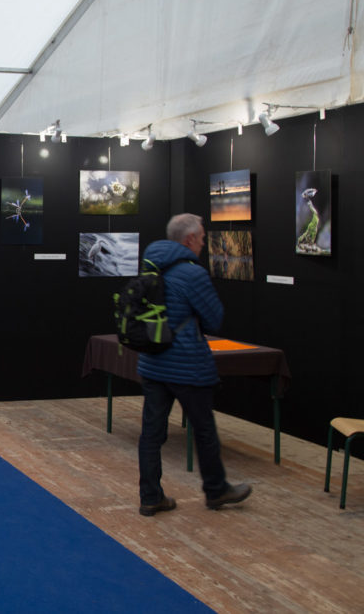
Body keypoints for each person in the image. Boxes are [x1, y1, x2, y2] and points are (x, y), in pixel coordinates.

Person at [136, 213, 252, 516]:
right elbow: (214, 318)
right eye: (201, 237)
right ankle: (216, 490)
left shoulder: (151, 264)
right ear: (188, 240)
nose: (203, 242)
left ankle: (150, 497)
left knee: (151, 434)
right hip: (187, 364)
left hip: (152, 362)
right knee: (204, 430)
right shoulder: (192, 273)